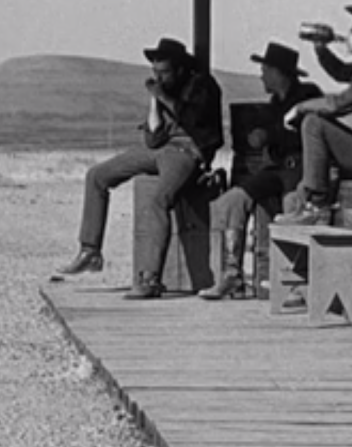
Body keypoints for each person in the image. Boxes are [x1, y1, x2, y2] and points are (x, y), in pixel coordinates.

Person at [52, 37, 224, 299]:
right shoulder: (163, 91)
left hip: (187, 152)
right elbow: (152, 139)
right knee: (97, 176)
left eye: (164, 72)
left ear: (180, 69)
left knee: (158, 200)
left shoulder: (202, 86)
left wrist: (161, 95)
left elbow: (193, 120)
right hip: (161, 149)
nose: (159, 78)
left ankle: (150, 279)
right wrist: (154, 102)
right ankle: (90, 250)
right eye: (155, 72)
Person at [198, 42, 323, 301]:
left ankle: (297, 283)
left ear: (278, 73)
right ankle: (232, 274)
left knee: (293, 208)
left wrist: (269, 135)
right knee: (231, 201)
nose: (261, 76)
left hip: (302, 169)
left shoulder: (308, 96)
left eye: (265, 70)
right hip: (278, 169)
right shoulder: (275, 103)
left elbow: (309, 135)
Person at [273, 0, 352, 230]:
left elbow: (338, 104)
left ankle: (316, 206)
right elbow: (342, 72)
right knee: (318, 127)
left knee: (314, 124)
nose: (349, 33)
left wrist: (299, 108)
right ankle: (312, 197)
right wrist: (321, 49)